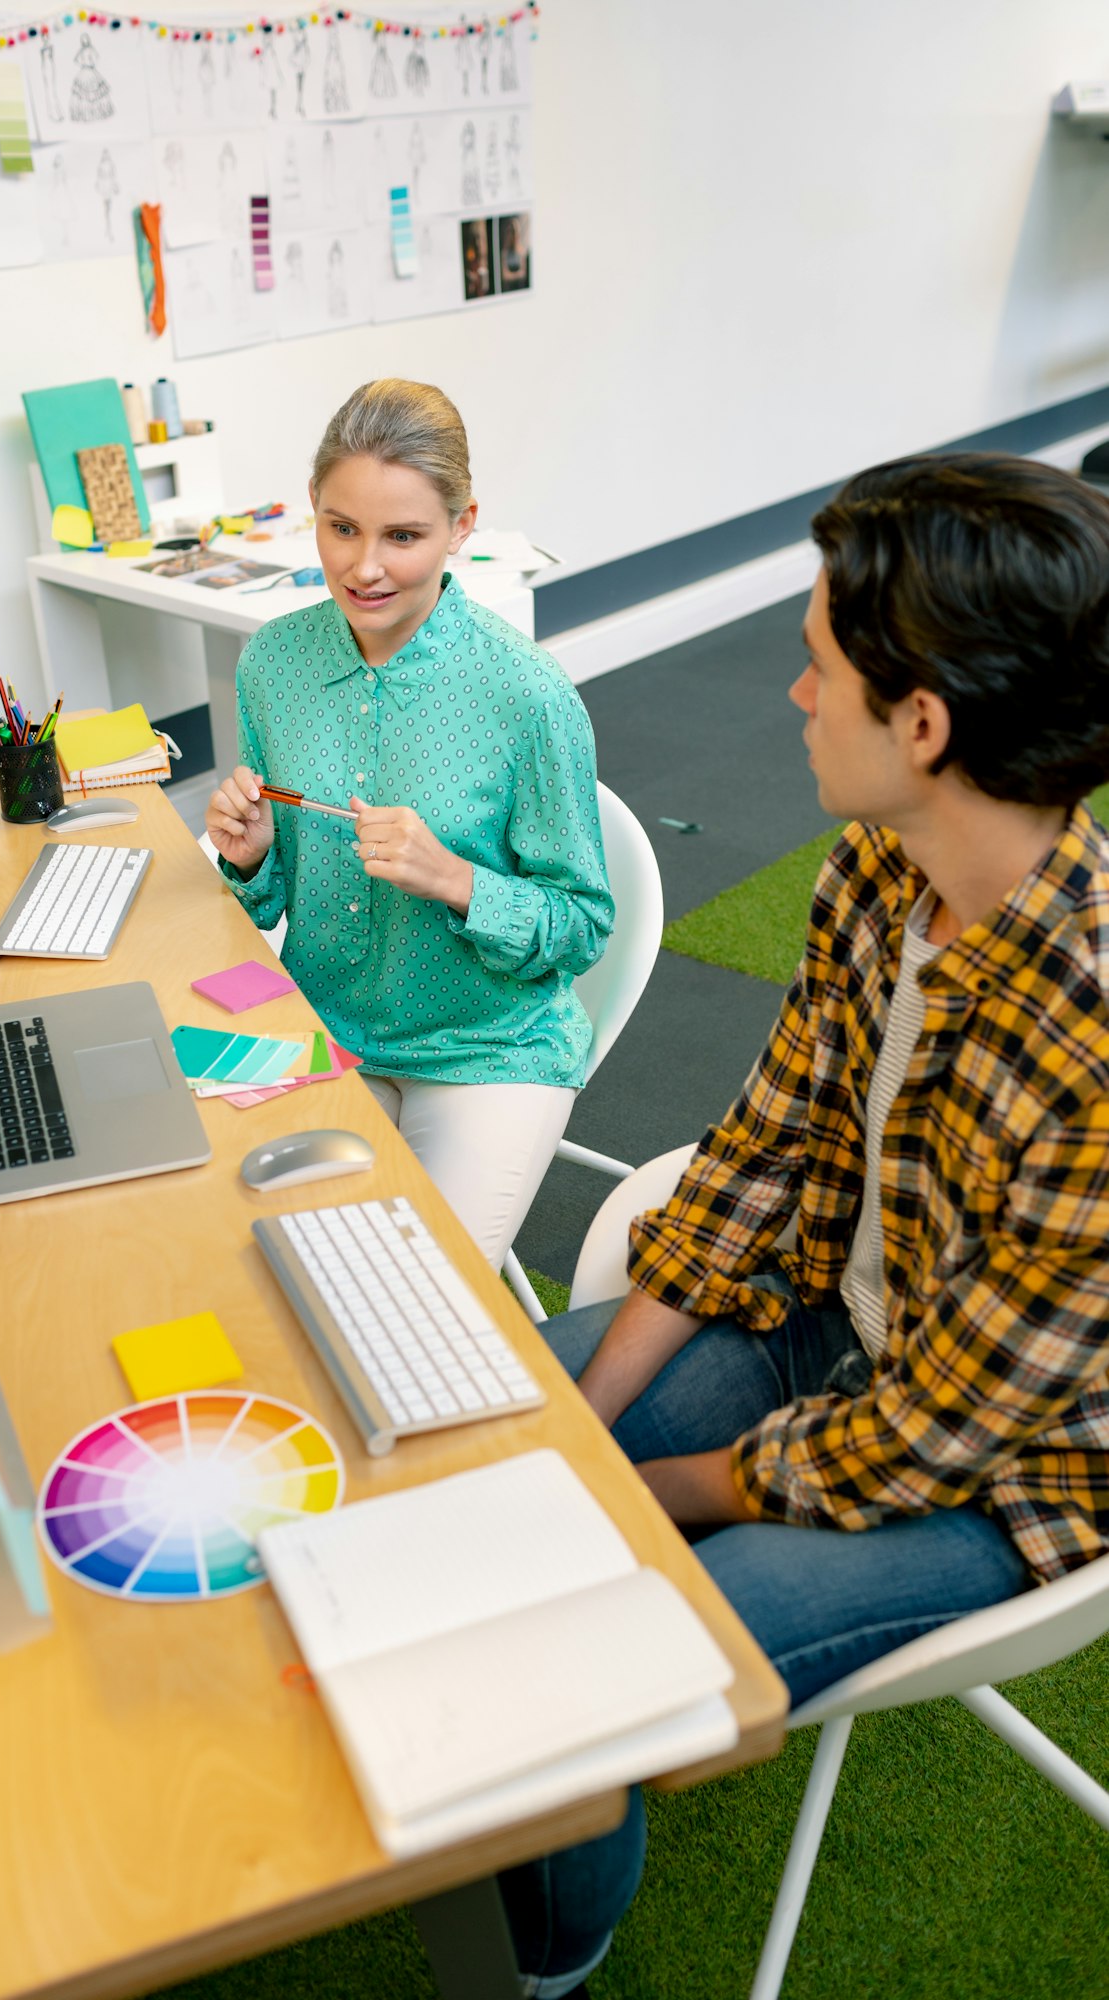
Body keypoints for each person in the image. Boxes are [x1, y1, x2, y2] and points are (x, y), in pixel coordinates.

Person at [502, 450, 1109, 1998]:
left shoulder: (1096, 1048)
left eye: (816, 665)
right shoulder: (874, 865)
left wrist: (655, 1493)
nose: (791, 696)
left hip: (1010, 1470)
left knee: (583, 1678)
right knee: (496, 1454)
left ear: (923, 724)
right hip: (839, 1321)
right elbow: (767, 1151)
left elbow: (929, 1438)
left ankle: (541, 1966)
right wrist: (583, 1415)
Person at [205, 378, 613, 1267]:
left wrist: (455, 881)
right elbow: (266, 906)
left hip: (484, 1049)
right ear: (312, 507)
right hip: (326, 1026)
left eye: (403, 536)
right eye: (341, 528)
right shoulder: (273, 664)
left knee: (415, 1292)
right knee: (235, 1252)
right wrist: (249, 860)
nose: (363, 568)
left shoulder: (527, 696)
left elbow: (580, 927)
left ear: (463, 526)